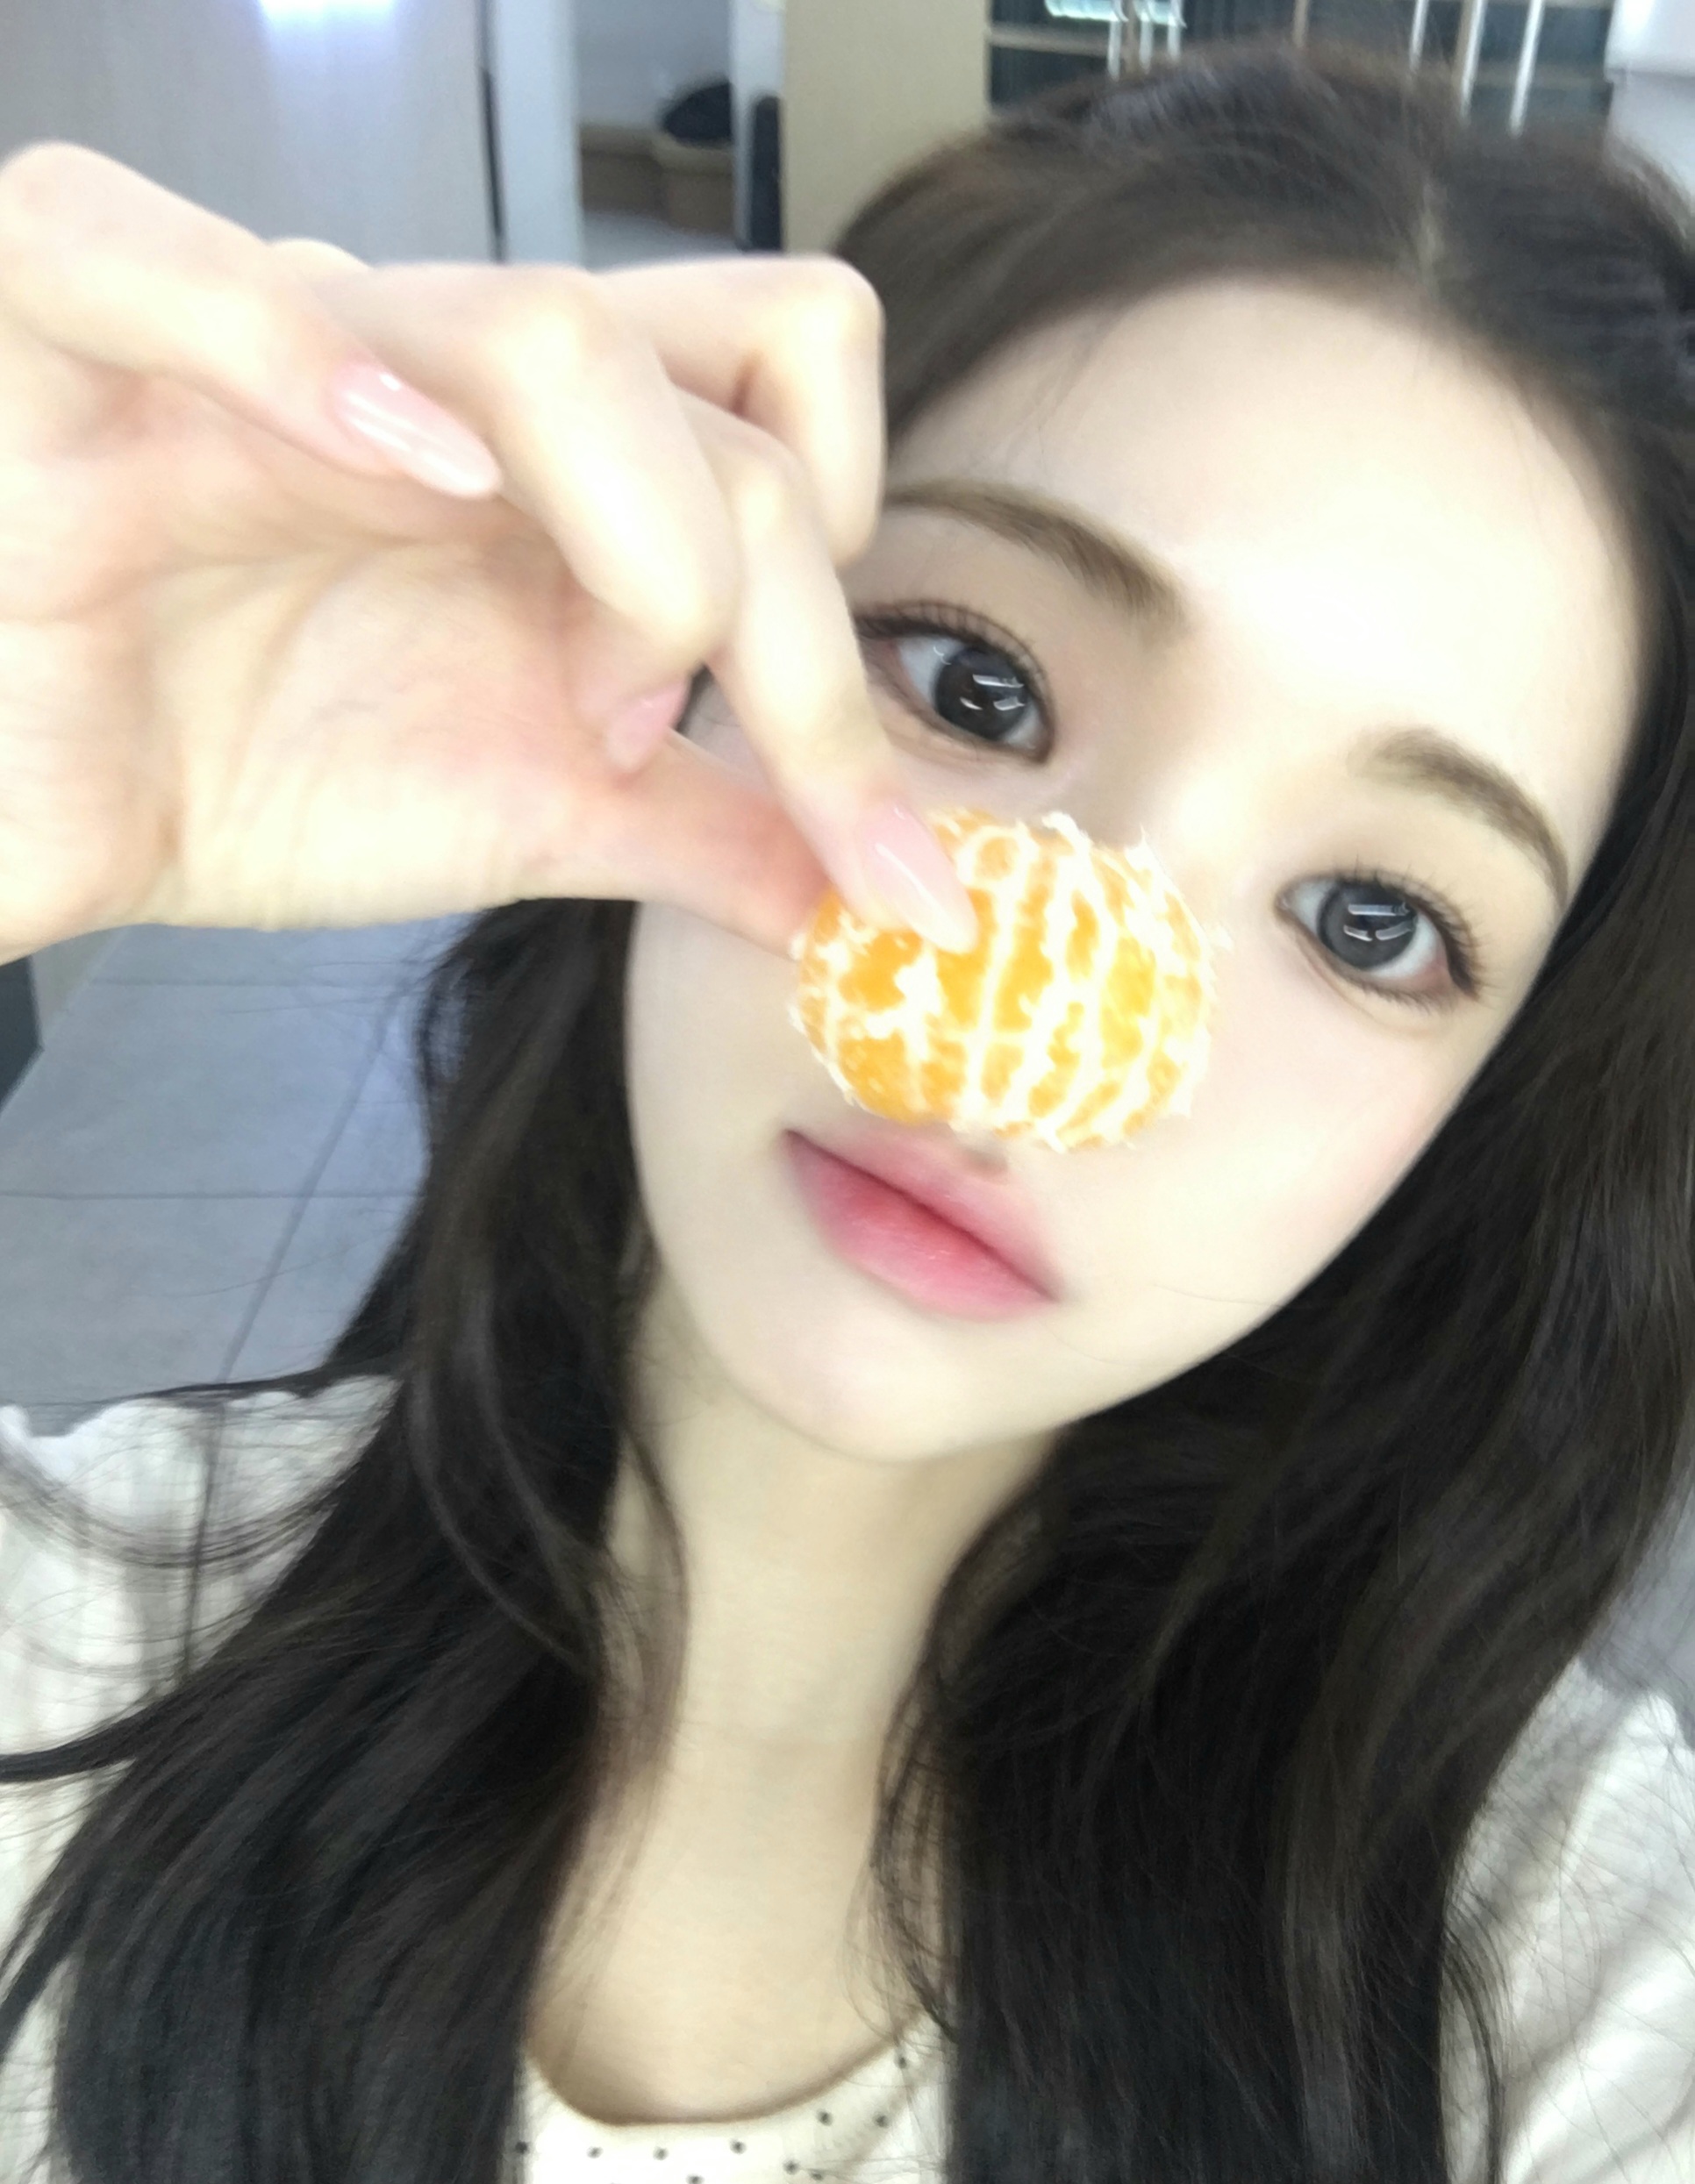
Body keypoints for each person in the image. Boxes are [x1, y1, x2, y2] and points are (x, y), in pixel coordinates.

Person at [1, 36, 1692, 2184]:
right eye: (975, 684)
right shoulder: (59, 1635)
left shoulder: (1560, 1980)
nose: (1018, 1035)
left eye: (1374, 922)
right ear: (712, 647)